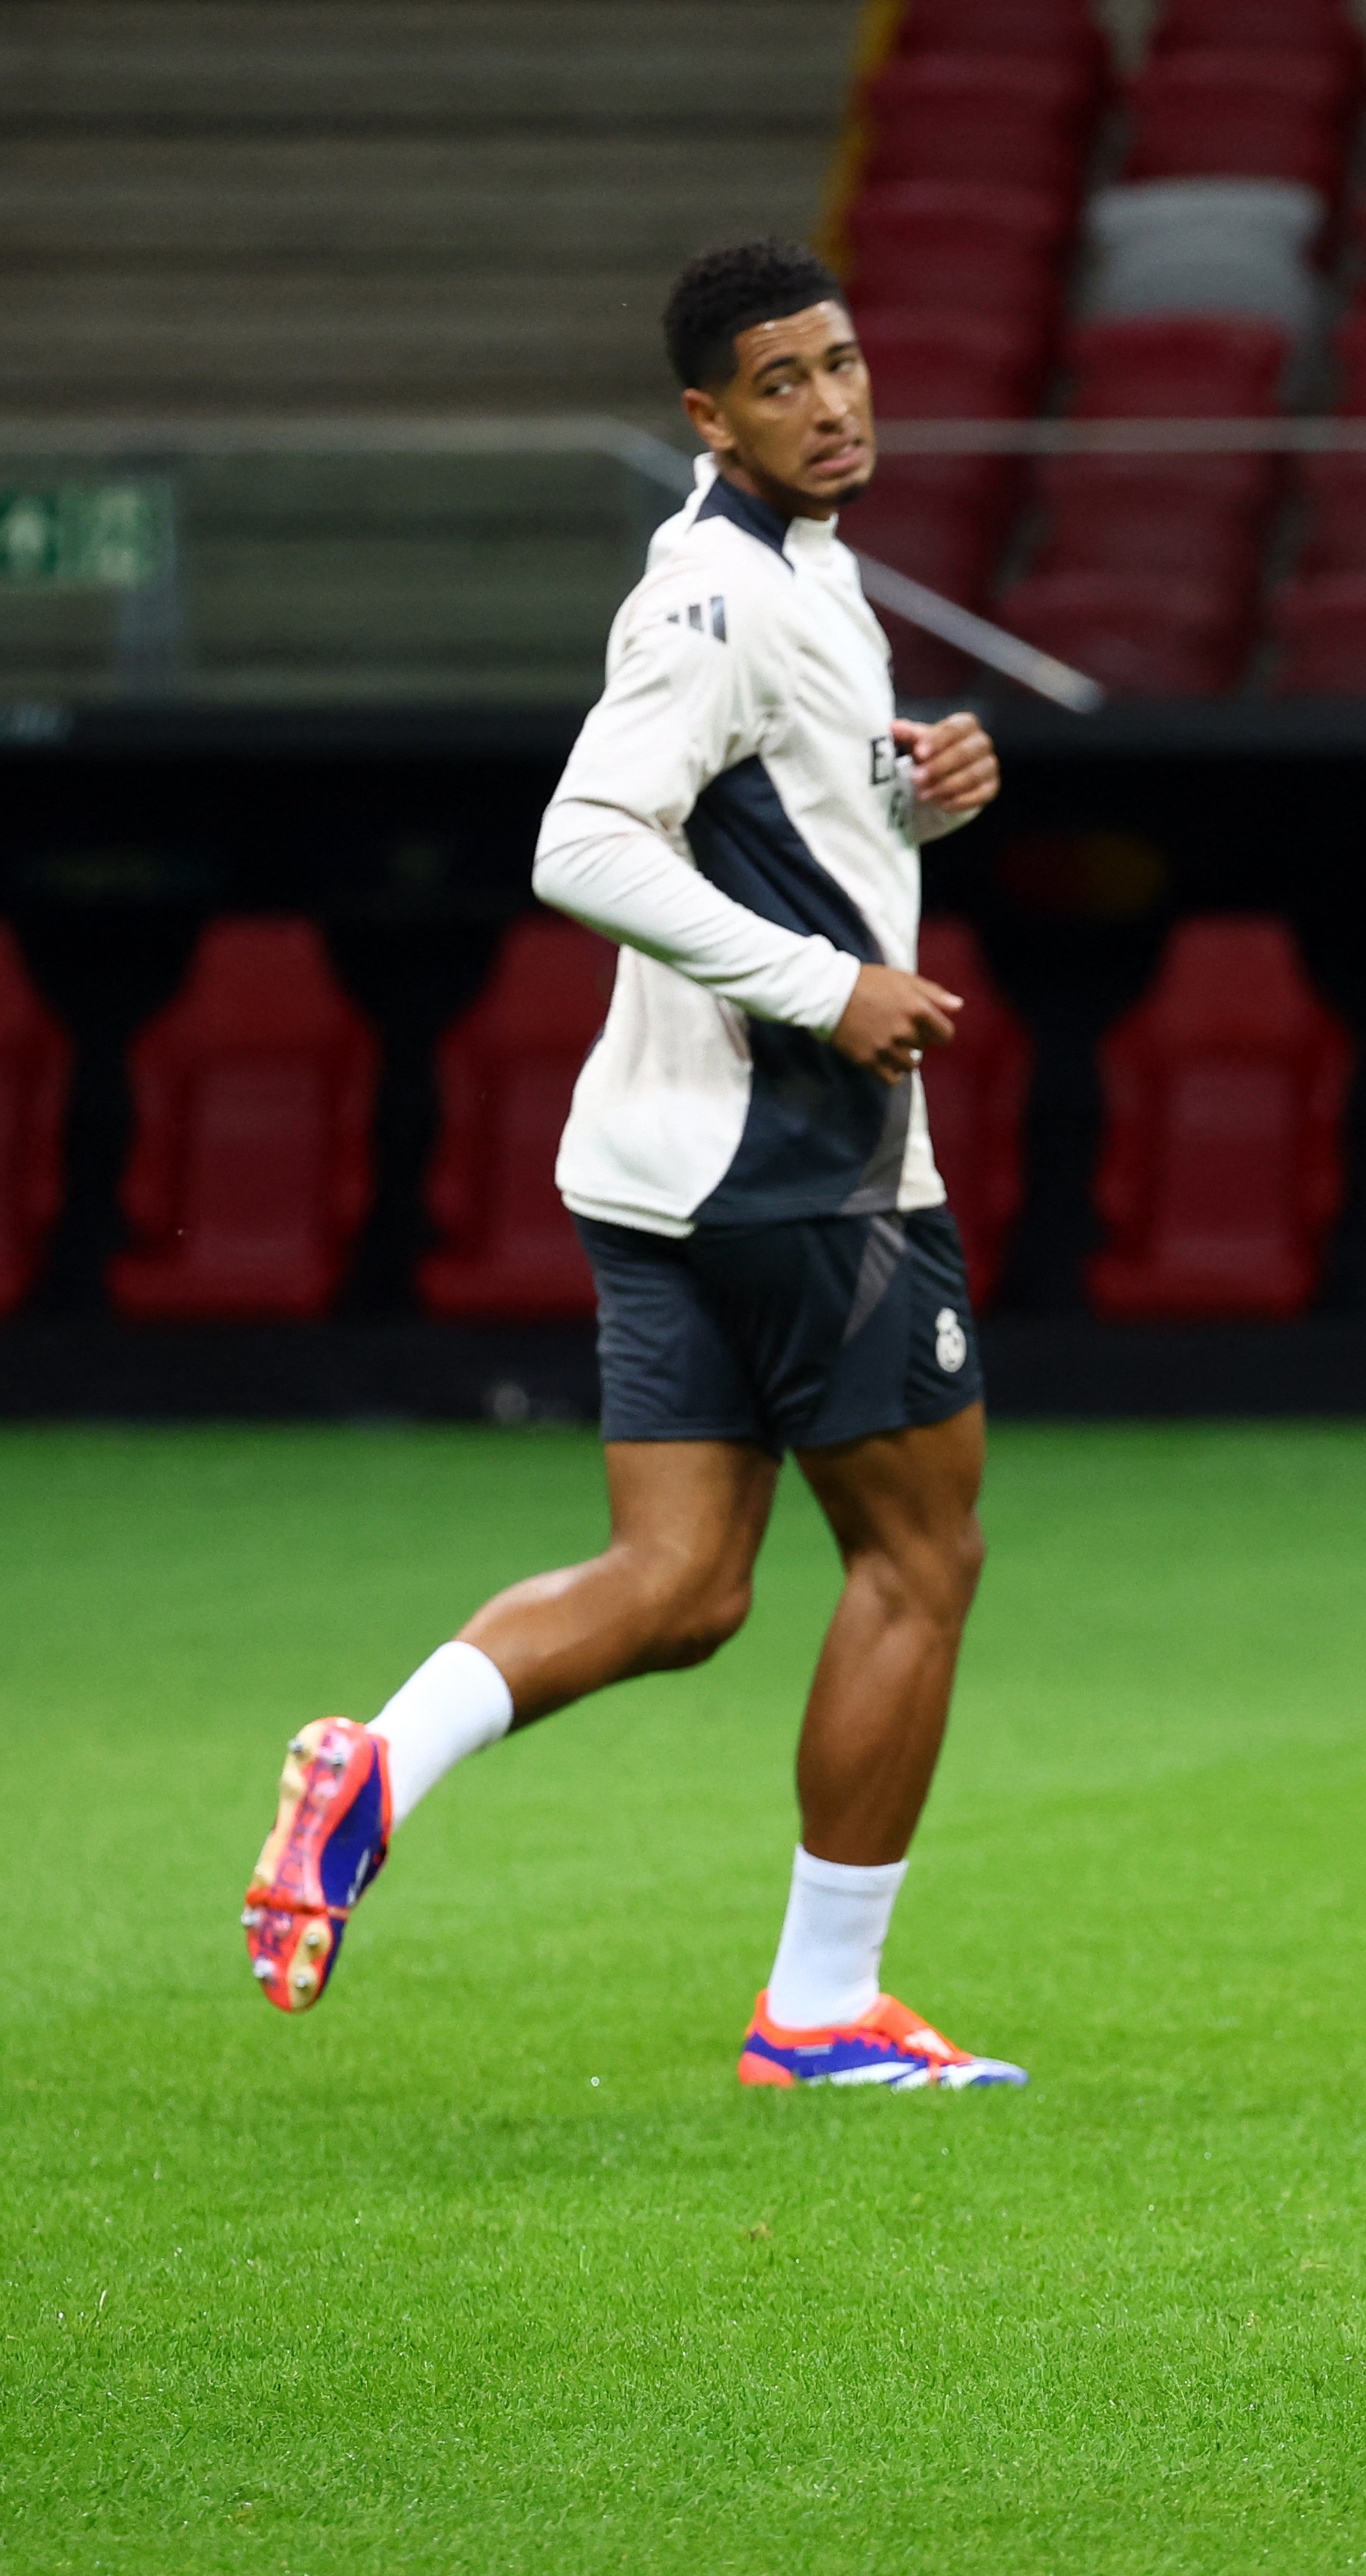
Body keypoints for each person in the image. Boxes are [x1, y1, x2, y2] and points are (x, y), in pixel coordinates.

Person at [240, 241, 1028, 2089]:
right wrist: (830, 985)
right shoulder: (707, 593)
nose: (830, 403)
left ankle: (377, 1763)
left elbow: (754, 815)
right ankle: (821, 2012)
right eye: (781, 381)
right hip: (798, 1169)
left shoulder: (799, 577)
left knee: (681, 1584)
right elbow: (584, 846)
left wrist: (907, 795)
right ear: (706, 415)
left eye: (842, 363)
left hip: (660, 1162)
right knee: (921, 1561)